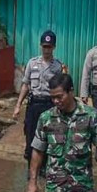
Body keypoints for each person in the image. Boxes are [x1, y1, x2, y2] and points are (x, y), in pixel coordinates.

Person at [12, 31, 66, 163]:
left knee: (49, 137)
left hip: (50, 106)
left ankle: (45, 168)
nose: (46, 49)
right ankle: (32, 170)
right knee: (31, 135)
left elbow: (61, 90)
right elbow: (25, 85)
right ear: (40, 46)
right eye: (44, 46)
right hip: (34, 105)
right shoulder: (32, 63)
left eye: (49, 46)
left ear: (54, 47)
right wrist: (18, 105)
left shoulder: (58, 66)